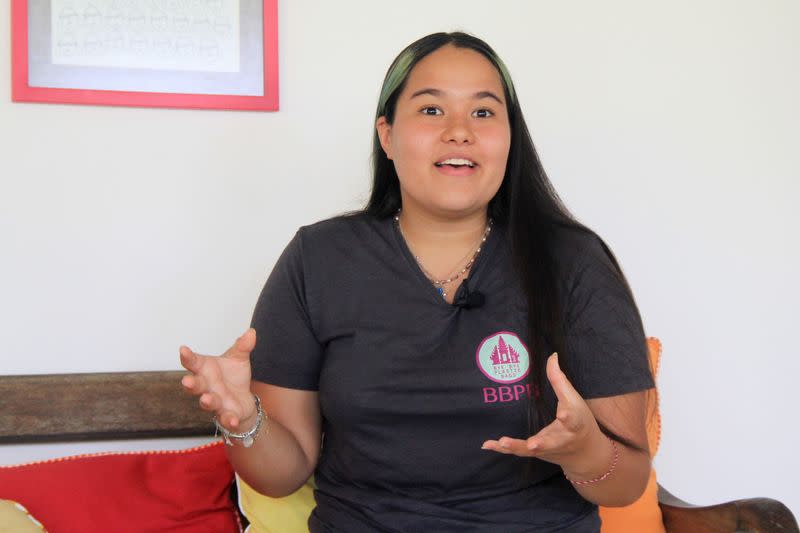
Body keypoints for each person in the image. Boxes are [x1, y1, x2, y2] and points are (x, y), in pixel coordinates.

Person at [179, 31, 655, 533]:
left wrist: (586, 452)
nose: (459, 131)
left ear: (510, 137)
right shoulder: (318, 260)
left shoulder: (574, 262)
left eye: (484, 112)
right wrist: (244, 420)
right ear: (387, 135)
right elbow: (283, 474)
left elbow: (627, 483)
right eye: (431, 111)